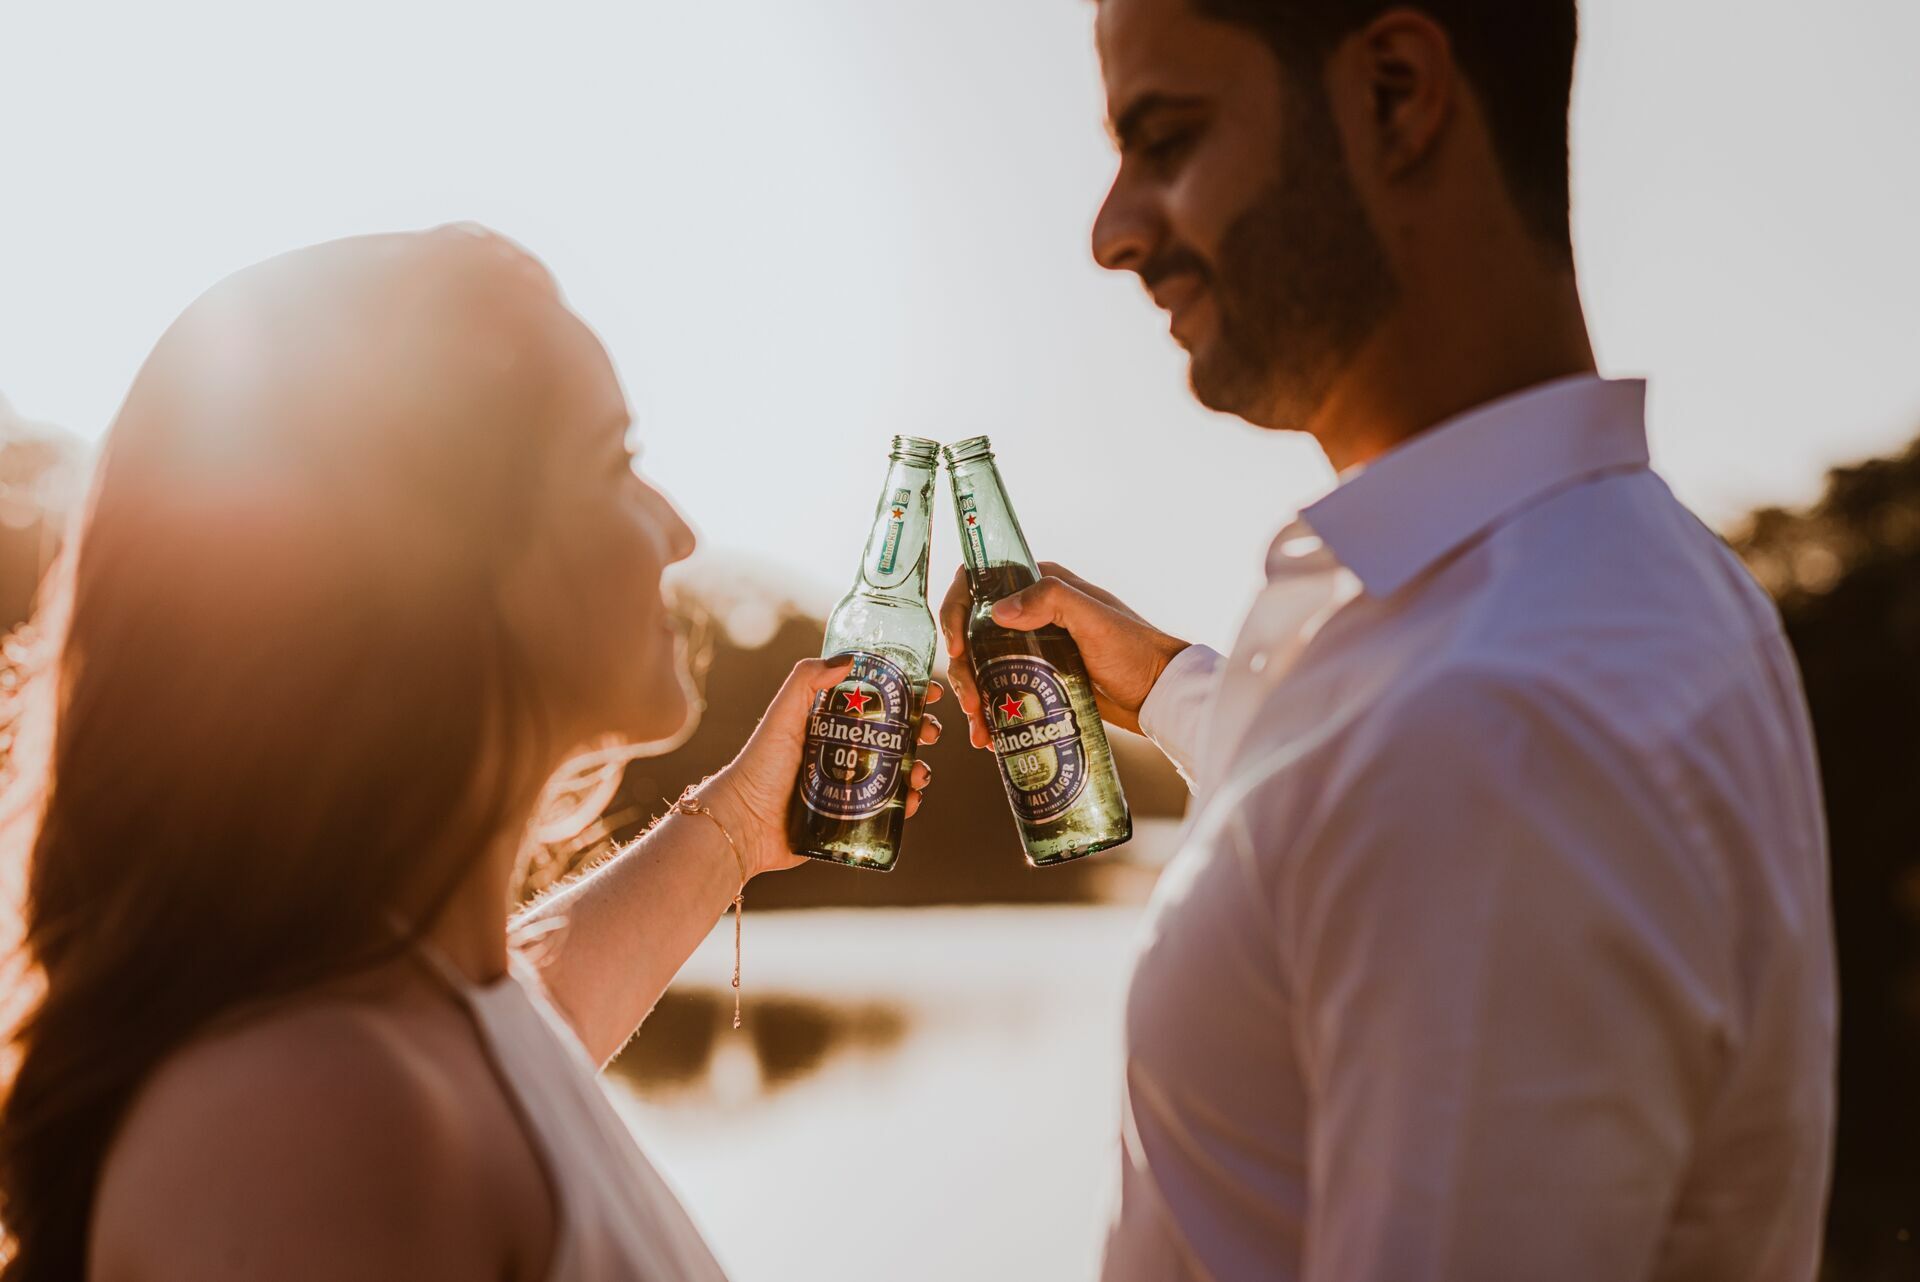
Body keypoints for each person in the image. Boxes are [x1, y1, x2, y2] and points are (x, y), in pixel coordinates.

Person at [940, 1, 1836, 1278]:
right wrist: (1164, 682)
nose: (1114, 231)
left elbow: (1437, 765)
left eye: (1168, 137)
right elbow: (1355, 796)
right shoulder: (1591, 582)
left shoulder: (1503, 730)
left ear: (1397, 93)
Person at [0, 227, 942, 1282]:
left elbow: (519, 1019)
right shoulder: (308, 1133)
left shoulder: (412, 1023)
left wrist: (736, 829)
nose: (679, 533)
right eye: (616, 463)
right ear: (429, 570)